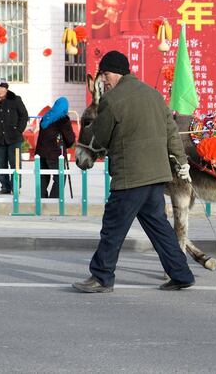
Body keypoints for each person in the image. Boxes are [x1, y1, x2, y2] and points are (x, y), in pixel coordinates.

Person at [73, 50, 195, 293]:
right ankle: (181, 274)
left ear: (115, 73)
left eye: (105, 75)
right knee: (159, 227)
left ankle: (101, 277)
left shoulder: (113, 99)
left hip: (131, 177)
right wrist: (182, 163)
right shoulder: (154, 95)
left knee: (113, 227)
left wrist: (97, 135)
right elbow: (171, 132)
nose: (104, 80)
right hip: (157, 176)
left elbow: (104, 136)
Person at [0, 78, 29, 195]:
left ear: (6, 89)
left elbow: (24, 116)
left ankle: (16, 187)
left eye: (2, 87)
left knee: (15, 163)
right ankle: (5, 187)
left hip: (14, 138)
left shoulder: (15, 99)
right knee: (0, 164)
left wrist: (19, 130)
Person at [34, 97, 76, 199]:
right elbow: (70, 139)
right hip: (55, 154)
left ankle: (41, 200)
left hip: (41, 153)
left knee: (43, 177)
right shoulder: (63, 119)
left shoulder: (46, 117)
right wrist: (69, 144)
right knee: (60, 178)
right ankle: (53, 201)